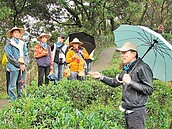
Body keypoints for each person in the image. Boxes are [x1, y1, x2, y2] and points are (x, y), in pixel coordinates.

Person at [90, 42, 153, 129]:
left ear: (134, 54)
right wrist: (101, 77)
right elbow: (115, 82)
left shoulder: (143, 67)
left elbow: (149, 89)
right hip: (127, 111)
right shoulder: (128, 68)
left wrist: (131, 82)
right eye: (121, 53)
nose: (122, 55)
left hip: (137, 112)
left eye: (125, 52)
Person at [4, 26, 29, 101]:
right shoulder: (9, 43)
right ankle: (12, 98)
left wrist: (25, 64)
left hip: (23, 65)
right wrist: (18, 65)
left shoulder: (23, 43)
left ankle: (20, 97)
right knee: (12, 83)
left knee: (21, 82)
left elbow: (26, 54)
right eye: (15, 32)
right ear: (12, 34)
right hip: (13, 66)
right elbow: (9, 56)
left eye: (18, 32)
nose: (17, 34)